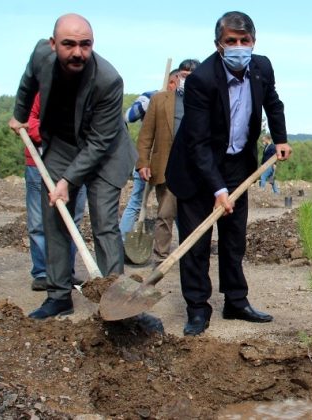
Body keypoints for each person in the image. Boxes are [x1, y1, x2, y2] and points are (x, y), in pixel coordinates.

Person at [165, 11, 292, 336]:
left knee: (234, 239)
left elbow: (273, 103)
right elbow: (197, 143)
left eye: (244, 41)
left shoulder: (262, 68)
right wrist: (218, 189)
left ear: (253, 41)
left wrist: (280, 138)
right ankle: (197, 308)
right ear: (219, 45)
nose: (238, 47)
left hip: (237, 165)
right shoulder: (202, 79)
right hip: (196, 169)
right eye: (230, 42)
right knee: (196, 243)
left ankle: (236, 301)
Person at [9, 13, 137, 319]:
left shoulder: (108, 79)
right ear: (53, 44)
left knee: (104, 222)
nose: (77, 52)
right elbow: (27, 84)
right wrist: (20, 114)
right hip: (63, 144)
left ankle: (115, 297)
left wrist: (67, 181)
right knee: (55, 220)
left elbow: (99, 142)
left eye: (85, 45)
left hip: (106, 151)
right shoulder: (41, 56)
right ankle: (58, 294)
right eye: (68, 44)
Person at [136, 59, 199, 265]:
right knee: (165, 214)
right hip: (166, 166)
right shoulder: (160, 100)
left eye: (191, 77)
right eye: (182, 76)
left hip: (195, 169)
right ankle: (161, 257)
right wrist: (143, 162)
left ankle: (191, 256)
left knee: (192, 217)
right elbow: (146, 135)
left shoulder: (203, 102)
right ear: (176, 77)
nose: (185, 80)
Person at [25, 92, 87, 291]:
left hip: (77, 166)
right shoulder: (40, 92)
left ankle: (65, 272)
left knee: (73, 221)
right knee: (38, 221)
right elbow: (27, 121)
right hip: (39, 164)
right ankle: (43, 272)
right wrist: (52, 134)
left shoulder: (85, 93)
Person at [120, 69, 180, 242]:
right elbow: (129, 116)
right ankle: (122, 243)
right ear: (171, 82)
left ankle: (186, 250)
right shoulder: (150, 96)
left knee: (173, 206)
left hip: (168, 163)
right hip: (147, 160)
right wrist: (149, 103)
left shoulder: (183, 101)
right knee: (137, 201)